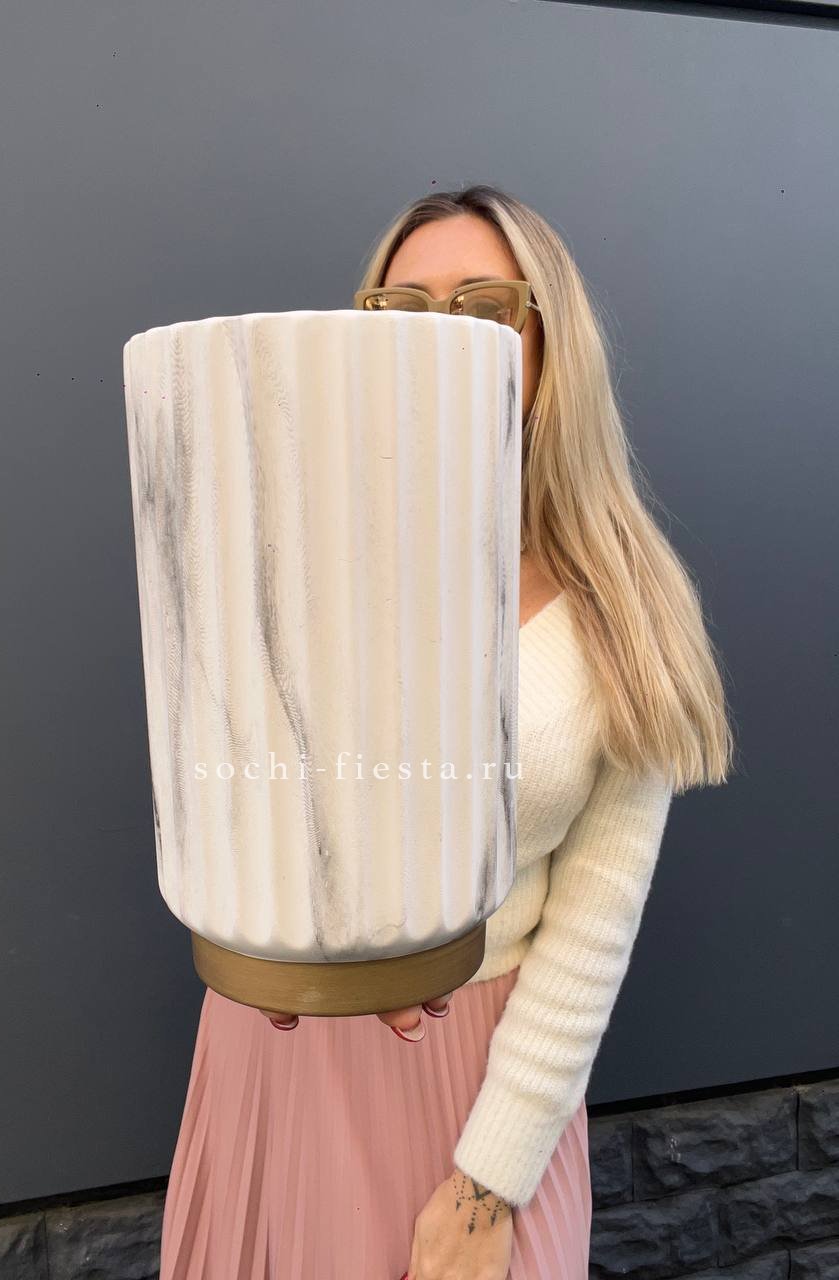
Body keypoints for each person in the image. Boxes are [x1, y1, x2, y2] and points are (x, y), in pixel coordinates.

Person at [157, 183, 734, 1280]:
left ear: (549, 343)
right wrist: (270, 945)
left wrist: (485, 1186)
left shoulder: (627, 603)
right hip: (277, 1050)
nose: (440, 336)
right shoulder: (304, 557)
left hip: (481, 1084)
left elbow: (591, 930)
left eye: (484, 305)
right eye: (405, 308)